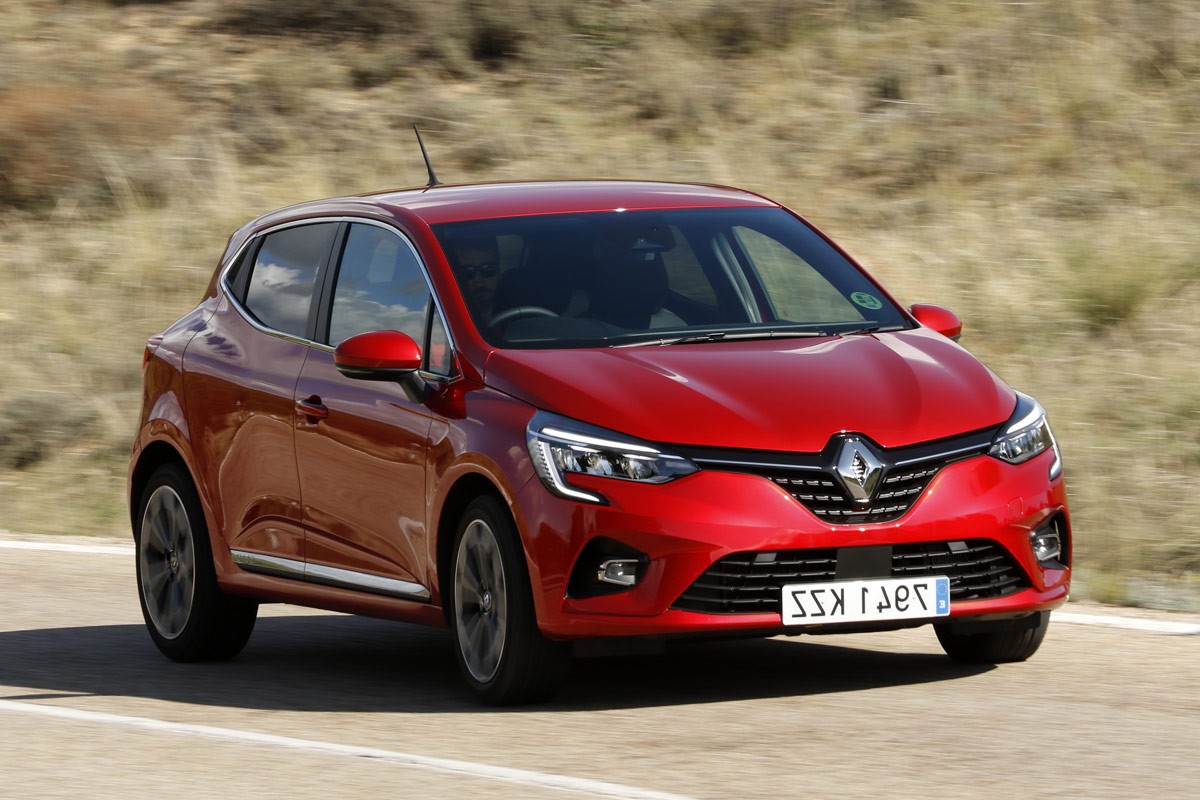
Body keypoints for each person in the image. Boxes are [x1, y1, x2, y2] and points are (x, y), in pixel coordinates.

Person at [449, 235, 501, 321]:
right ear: (455, 276)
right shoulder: (444, 319)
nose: (479, 282)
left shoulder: (521, 313)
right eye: (468, 272)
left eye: (488, 269)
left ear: (499, 273)